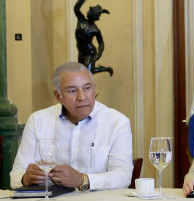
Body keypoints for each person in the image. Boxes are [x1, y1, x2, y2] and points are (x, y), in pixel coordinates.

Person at [10, 62, 133, 190]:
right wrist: (25, 178)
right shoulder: (37, 121)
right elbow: (16, 175)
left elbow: (123, 176)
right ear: (58, 96)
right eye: (73, 91)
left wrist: (83, 179)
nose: (82, 97)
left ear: (94, 88)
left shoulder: (117, 122)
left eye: (87, 88)